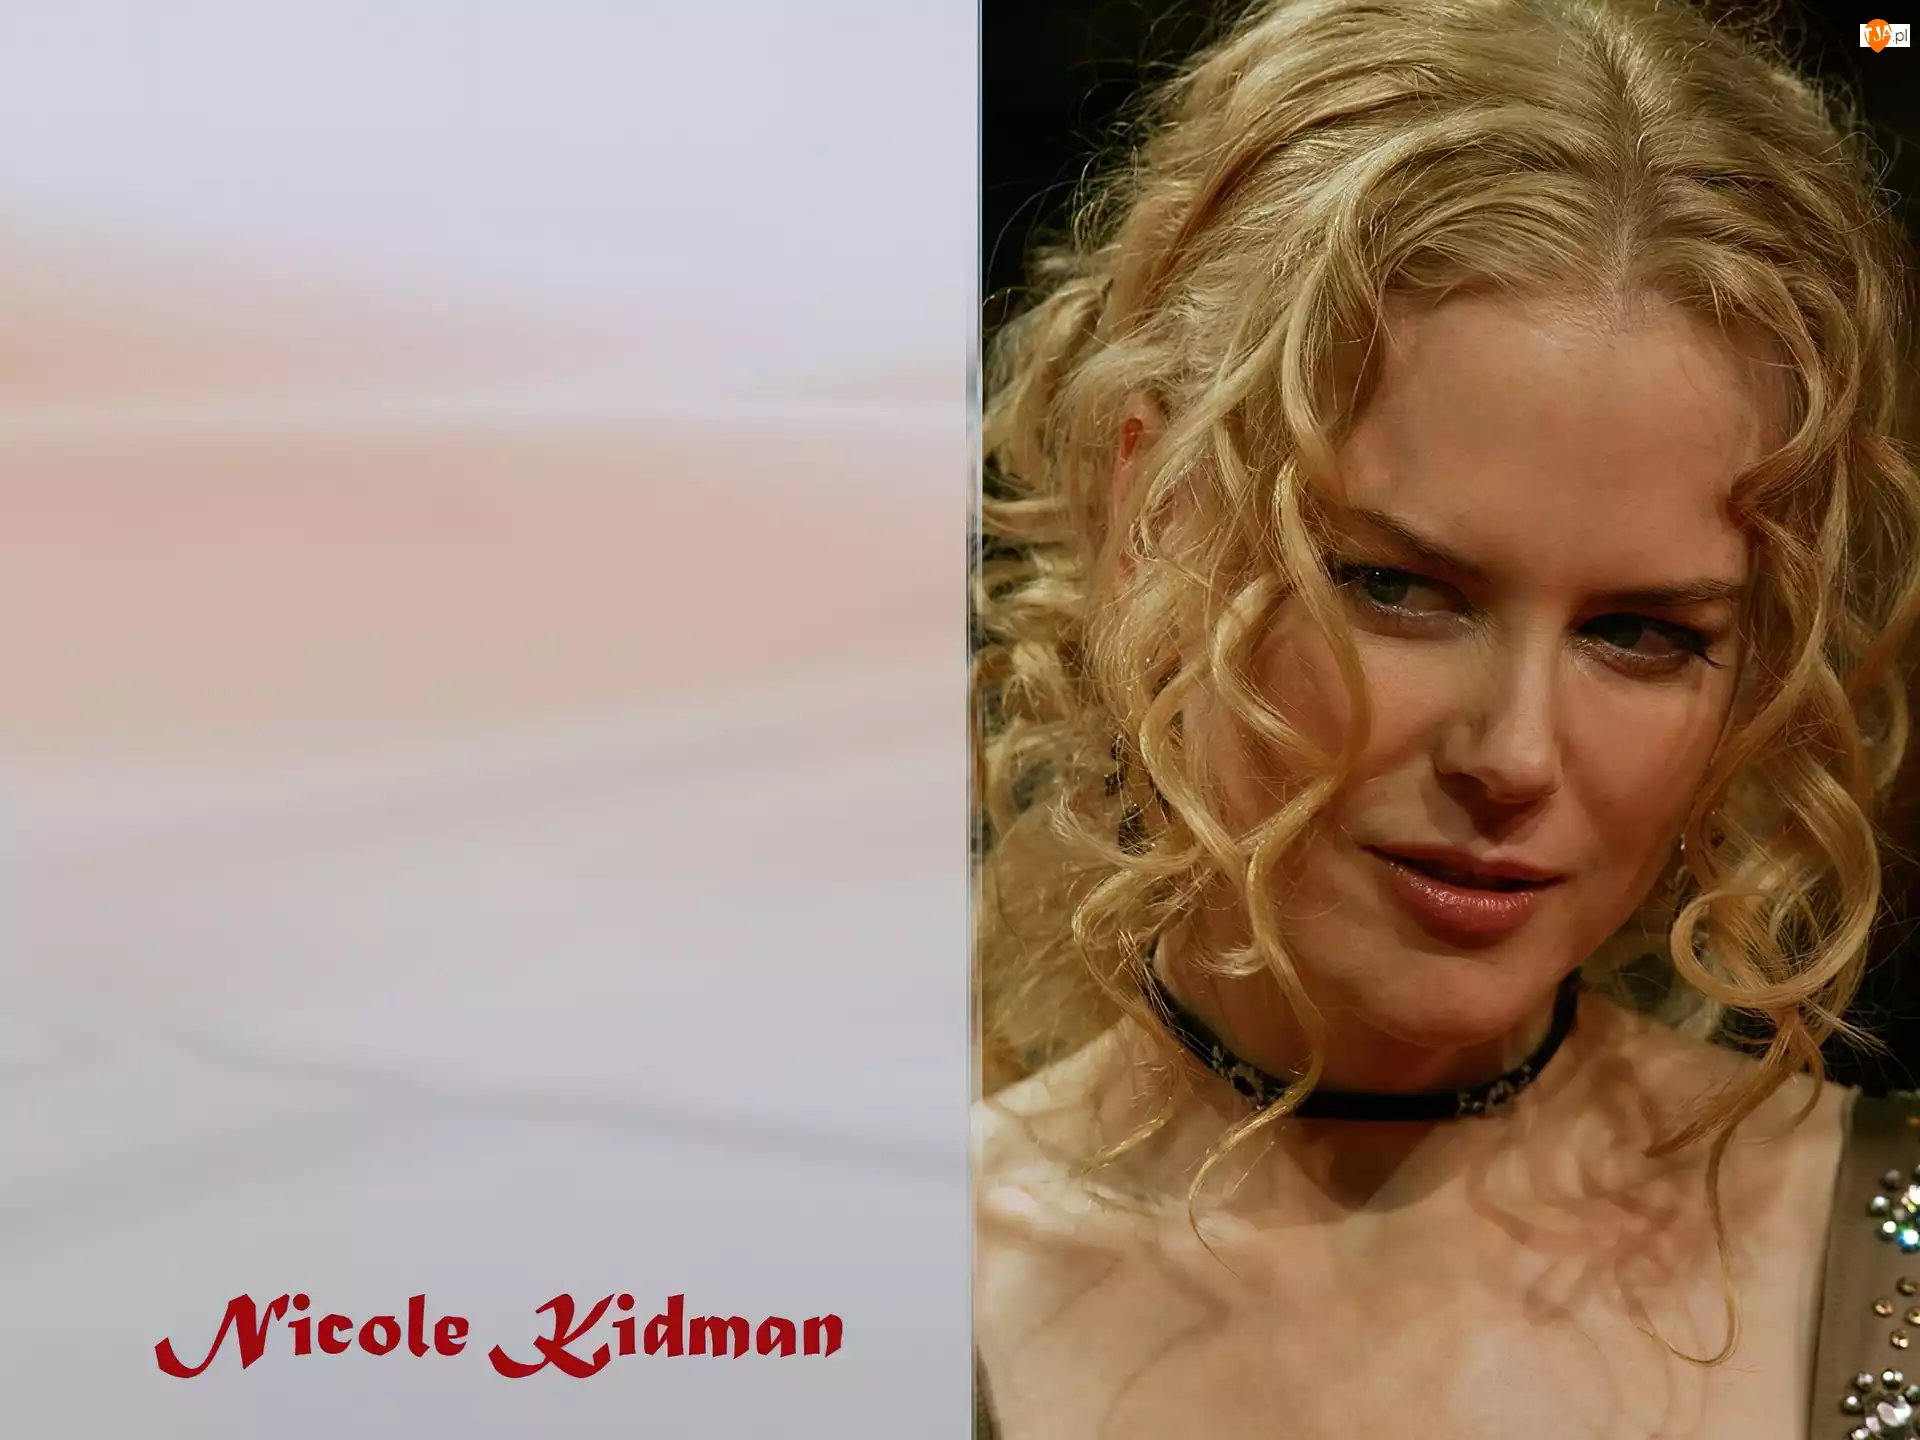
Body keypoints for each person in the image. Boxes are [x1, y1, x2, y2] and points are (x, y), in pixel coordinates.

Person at [970, 0, 1920, 1434]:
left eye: (1642, 634)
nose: (1514, 756)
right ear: (1154, 511)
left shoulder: (1880, 1249)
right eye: (1401, 589)